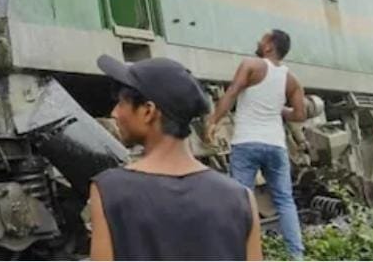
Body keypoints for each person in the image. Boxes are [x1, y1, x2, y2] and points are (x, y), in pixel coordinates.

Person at [89, 55, 262, 261]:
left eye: (121, 103)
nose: (114, 113)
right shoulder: (241, 198)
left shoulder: (110, 191)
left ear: (148, 111)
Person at [204, 29, 306, 259]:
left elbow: (232, 93)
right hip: (276, 146)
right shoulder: (291, 79)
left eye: (263, 39)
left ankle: (241, 253)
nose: (259, 42)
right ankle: (296, 255)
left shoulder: (251, 65)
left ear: (269, 46)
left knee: (241, 201)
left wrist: (213, 121)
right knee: (285, 200)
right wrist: (279, 109)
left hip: (247, 143)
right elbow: (300, 115)